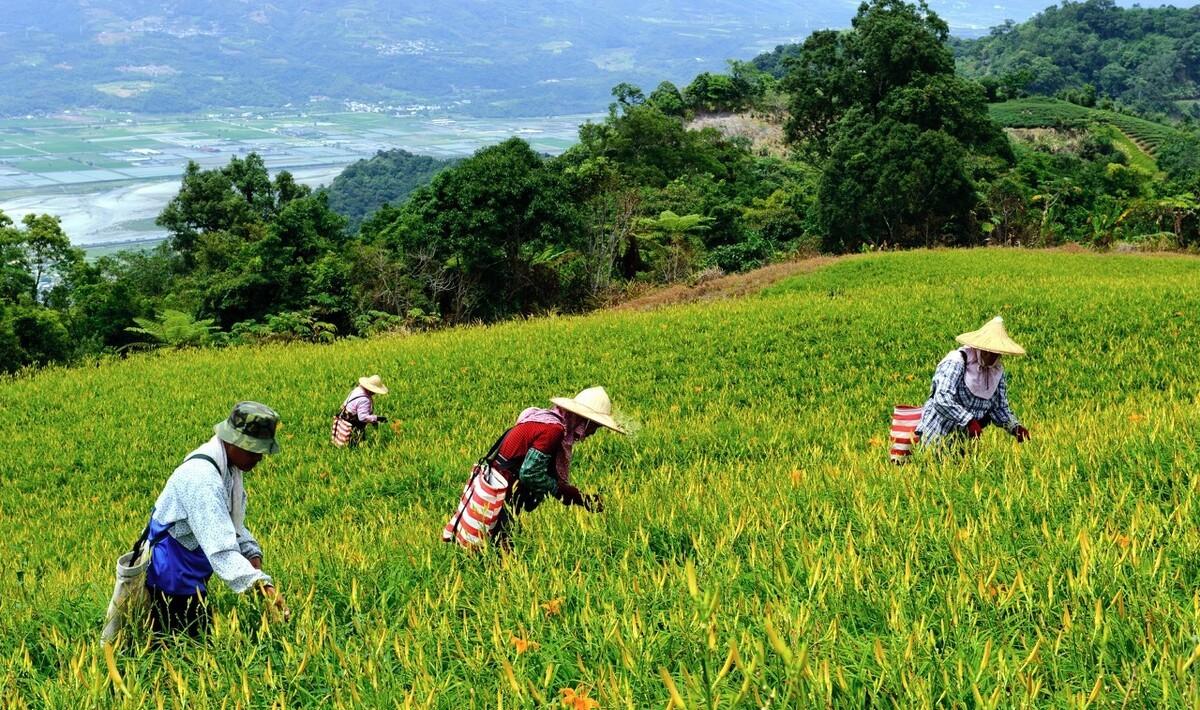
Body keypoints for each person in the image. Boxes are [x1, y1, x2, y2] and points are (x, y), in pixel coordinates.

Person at [141, 402, 289, 636]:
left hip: (192, 567)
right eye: (254, 450)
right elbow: (221, 548)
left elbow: (233, 526)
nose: (259, 458)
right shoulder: (203, 480)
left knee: (194, 638)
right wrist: (264, 587)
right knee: (183, 642)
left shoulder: (230, 468)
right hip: (172, 574)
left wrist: (253, 556)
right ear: (232, 442)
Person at [444, 386, 625, 550]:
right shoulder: (552, 430)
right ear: (584, 421)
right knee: (501, 548)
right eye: (595, 426)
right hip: (503, 490)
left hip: (499, 483)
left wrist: (577, 497)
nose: (593, 432)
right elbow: (530, 473)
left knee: (499, 542)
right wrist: (572, 496)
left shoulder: (542, 419)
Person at [916, 316, 1031, 447]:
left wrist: (1015, 428)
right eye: (988, 351)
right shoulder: (956, 361)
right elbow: (942, 399)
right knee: (934, 465)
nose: (991, 356)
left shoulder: (996, 371)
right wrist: (969, 421)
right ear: (980, 347)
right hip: (937, 434)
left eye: (996, 353)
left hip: (966, 440)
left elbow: (998, 408)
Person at [331, 375, 389, 447]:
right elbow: (362, 417)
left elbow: (345, 403)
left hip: (344, 418)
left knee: (343, 441)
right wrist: (377, 418)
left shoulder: (357, 389)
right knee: (354, 443)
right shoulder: (365, 400)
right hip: (352, 423)